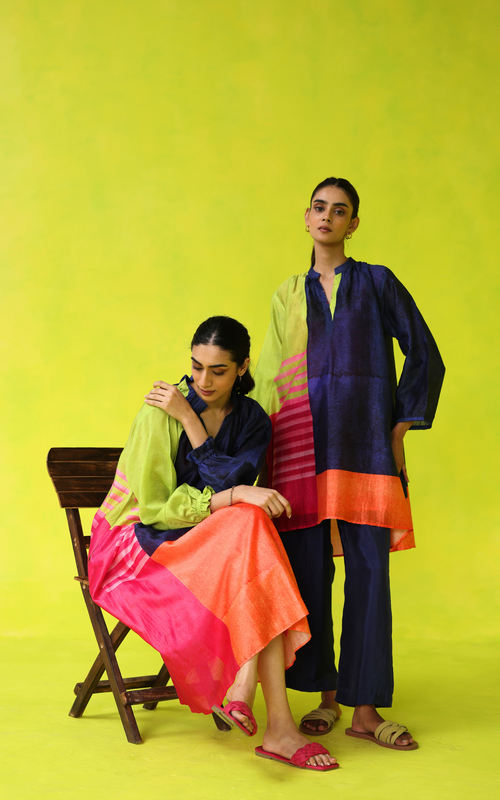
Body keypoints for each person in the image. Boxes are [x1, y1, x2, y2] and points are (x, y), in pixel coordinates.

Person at [88, 315, 337, 771]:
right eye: (196, 366)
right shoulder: (159, 410)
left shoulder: (252, 420)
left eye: (218, 370)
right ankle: (275, 721)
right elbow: (155, 508)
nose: (203, 381)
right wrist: (187, 421)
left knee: (248, 523)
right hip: (136, 545)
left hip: (204, 542)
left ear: (242, 368)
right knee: (249, 522)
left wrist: (192, 423)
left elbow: (228, 483)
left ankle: (255, 695)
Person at [251, 178, 445, 750]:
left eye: (340, 211)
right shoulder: (288, 294)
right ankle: (326, 697)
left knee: (369, 575)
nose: (328, 217)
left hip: (366, 449)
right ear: (306, 216)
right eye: (319, 208)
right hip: (301, 451)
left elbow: (424, 352)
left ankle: (365, 709)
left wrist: (400, 427)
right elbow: (268, 375)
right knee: (310, 575)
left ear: (353, 224)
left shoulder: (377, 282)